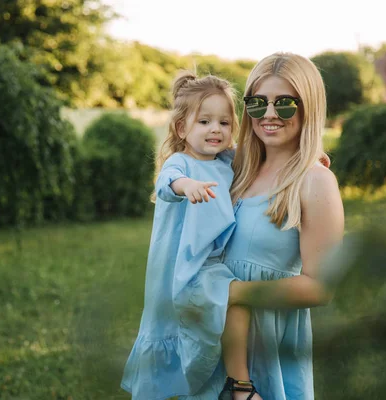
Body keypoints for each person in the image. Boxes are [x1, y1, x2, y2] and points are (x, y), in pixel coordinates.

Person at [177, 52, 345, 400]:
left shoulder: (315, 181)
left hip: (269, 343)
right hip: (215, 338)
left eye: (284, 104)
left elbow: (322, 287)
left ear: (308, 106)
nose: (269, 115)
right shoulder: (233, 166)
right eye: (258, 103)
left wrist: (232, 293)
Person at [121, 70, 260, 400]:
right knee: (180, 328)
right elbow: (166, 183)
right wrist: (188, 187)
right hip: (179, 268)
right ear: (182, 128)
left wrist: (310, 161)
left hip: (209, 263)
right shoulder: (180, 163)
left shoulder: (227, 160)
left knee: (215, 323)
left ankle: (220, 383)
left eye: (224, 123)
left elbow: (266, 158)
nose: (216, 129)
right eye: (205, 121)